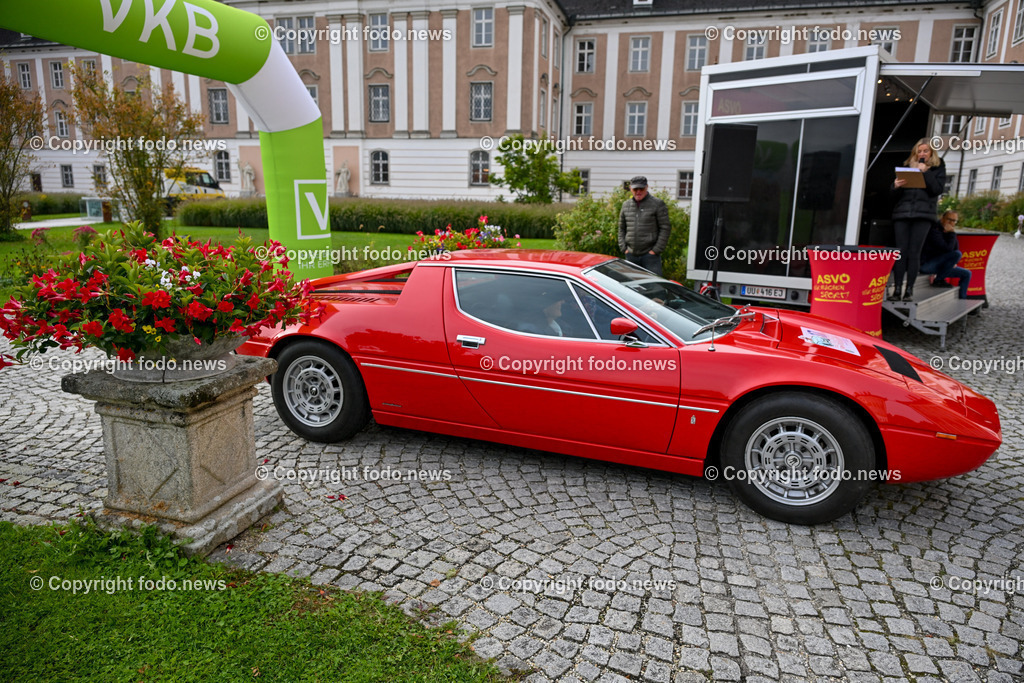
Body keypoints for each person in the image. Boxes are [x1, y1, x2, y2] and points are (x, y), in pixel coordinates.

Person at [888, 138, 946, 301]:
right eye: (919, 151)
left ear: (931, 153)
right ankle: (897, 290)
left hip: (923, 215)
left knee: (914, 252)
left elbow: (937, 190)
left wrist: (925, 173)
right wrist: (895, 186)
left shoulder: (937, 168)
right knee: (900, 252)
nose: (922, 154)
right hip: (903, 214)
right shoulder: (907, 167)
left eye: (925, 151)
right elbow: (893, 196)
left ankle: (909, 290)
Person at [618, 175, 671, 276]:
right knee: (632, 284)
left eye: (641, 188)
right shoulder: (626, 205)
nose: (638, 191)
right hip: (631, 255)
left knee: (654, 284)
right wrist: (624, 249)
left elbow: (665, 228)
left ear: (646, 187)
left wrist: (655, 250)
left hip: (650, 257)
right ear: (630, 189)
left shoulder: (657, 204)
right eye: (635, 189)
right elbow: (621, 228)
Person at [920, 210, 971, 299]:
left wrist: (953, 262)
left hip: (941, 266)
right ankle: (939, 280)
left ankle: (962, 299)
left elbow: (955, 247)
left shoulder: (948, 231)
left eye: (954, 221)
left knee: (967, 274)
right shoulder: (934, 230)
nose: (951, 223)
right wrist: (952, 233)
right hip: (927, 265)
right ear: (942, 218)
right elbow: (948, 249)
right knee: (957, 254)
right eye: (949, 219)